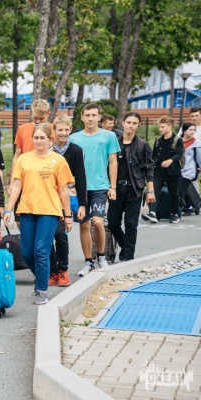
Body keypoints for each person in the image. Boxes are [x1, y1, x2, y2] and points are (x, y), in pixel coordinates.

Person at [3, 125, 73, 305]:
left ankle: (41, 290)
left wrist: (68, 216)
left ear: (50, 140)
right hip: (27, 209)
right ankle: (44, 275)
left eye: (43, 138)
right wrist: (9, 209)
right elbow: (16, 186)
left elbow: (64, 190)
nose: (39, 141)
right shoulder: (24, 159)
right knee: (26, 252)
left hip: (49, 211)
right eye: (36, 138)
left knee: (41, 250)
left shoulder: (58, 160)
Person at [69, 103, 120, 277]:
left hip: (100, 186)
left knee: (98, 222)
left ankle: (102, 257)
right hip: (80, 189)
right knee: (84, 224)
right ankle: (88, 262)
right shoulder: (74, 138)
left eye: (93, 115)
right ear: (82, 117)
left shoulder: (109, 136)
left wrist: (113, 186)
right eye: (87, 115)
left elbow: (113, 162)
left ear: (99, 117)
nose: (90, 118)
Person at [106, 113, 155, 262]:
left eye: (134, 123)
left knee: (131, 224)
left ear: (138, 125)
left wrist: (150, 190)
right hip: (116, 188)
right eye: (128, 122)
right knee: (113, 223)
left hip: (134, 189)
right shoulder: (114, 143)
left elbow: (149, 168)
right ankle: (124, 245)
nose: (131, 126)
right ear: (123, 123)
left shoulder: (143, 145)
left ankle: (128, 257)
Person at [49, 115, 87, 287]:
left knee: (60, 233)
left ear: (70, 130)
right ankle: (52, 270)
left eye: (66, 130)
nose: (63, 133)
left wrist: (82, 204)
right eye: (60, 130)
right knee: (48, 234)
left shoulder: (76, 151)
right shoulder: (48, 149)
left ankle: (62, 269)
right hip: (49, 194)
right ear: (54, 130)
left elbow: (81, 177)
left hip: (68, 194)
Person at [141, 116, 184, 224]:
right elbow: (154, 155)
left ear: (170, 126)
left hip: (173, 172)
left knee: (174, 194)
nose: (160, 129)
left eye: (162, 127)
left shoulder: (177, 140)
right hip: (158, 172)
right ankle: (152, 213)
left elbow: (179, 153)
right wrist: (150, 167)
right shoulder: (158, 140)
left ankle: (174, 214)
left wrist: (170, 160)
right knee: (154, 191)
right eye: (160, 126)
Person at [10, 99, 52, 191]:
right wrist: (12, 182)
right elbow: (17, 157)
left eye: (41, 119)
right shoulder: (23, 129)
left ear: (48, 114)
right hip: (26, 178)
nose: (38, 121)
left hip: (47, 179)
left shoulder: (54, 130)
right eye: (35, 118)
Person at [177, 123, 201, 216]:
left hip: (189, 170)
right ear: (184, 131)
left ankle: (180, 209)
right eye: (190, 130)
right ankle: (191, 205)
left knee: (180, 190)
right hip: (178, 170)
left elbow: (199, 157)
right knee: (185, 189)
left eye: (194, 130)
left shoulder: (196, 142)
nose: (192, 132)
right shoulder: (178, 141)